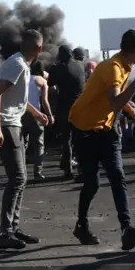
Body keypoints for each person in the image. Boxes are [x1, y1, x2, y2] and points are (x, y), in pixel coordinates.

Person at [69, 28, 135, 250]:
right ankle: (82, 225)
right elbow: (115, 101)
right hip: (85, 129)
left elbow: (116, 100)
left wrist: (133, 112)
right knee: (92, 183)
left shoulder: (123, 66)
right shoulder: (113, 69)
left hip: (106, 129)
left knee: (117, 176)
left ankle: (127, 230)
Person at [0, 29, 48, 250]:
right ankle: (5, 232)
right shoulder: (18, 65)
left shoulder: (20, 63)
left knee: (20, 180)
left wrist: (35, 113)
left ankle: (13, 228)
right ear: (40, 48)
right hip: (7, 125)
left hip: (14, 123)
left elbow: (17, 98)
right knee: (18, 179)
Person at [48, 45, 86, 178]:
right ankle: (82, 169)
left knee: (67, 140)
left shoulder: (61, 67)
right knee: (80, 140)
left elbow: (50, 82)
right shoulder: (81, 65)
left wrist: (53, 67)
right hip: (80, 107)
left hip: (65, 108)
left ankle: (68, 170)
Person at [22, 62, 54, 180]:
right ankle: (38, 172)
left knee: (22, 144)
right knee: (39, 145)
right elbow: (45, 101)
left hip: (22, 114)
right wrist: (50, 116)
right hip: (36, 115)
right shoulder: (41, 81)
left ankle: (21, 173)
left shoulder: (23, 78)